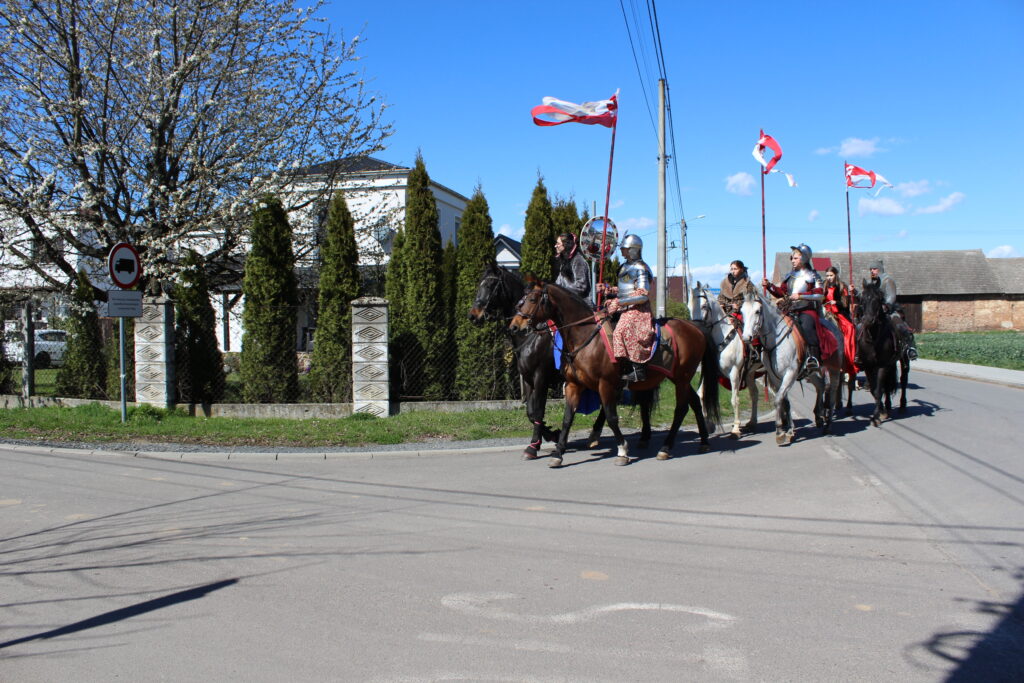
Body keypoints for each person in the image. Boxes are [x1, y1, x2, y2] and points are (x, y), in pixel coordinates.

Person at [599, 234, 655, 382]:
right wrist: (609, 290)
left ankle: (637, 370)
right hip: (622, 306)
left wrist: (619, 302)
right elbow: (626, 289)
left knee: (622, 330)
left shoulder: (642, 268)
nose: (622, 251)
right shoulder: (624, 267)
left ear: (633, 250)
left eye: (625, 249)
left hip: (638, 309)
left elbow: (643, 295)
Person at [762, 243, 824, 375]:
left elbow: (820, 294)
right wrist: (769, 286)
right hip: (789, 310)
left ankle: (812, 359)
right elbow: (781, 292)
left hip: (806, 310)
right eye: (792, 258)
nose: (792, 260)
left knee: (807, 328)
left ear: (804, 258)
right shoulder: (789, 276)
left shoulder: (812, 275)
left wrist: (801, 295)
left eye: (795, 258)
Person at [867, 259, 918, 360]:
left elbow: (891, 297)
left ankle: (909, 348)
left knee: (900, 326)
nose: (872, 271)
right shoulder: (871, 283)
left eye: (874, 269)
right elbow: (866, 296)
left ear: (880, 269)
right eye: (871, 269)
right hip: (874, 311)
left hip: (889, 310)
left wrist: (885, 307)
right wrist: (854, 292)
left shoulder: (887, 280)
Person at [823, 266, 857, 372]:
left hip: (838, 312)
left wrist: (836, 302)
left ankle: (849, 357)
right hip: (826, 311)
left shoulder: (842, 286)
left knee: (850, 328)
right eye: (827, 276)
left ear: (835, 275)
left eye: (831, 275)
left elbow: (845, 303)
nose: (829, 278)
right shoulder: (823, 286)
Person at [553, 232, 592, 302]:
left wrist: (561, 291)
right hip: (568, 304)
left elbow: (581, 286)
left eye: (558, 243)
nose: (555, 246)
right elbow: (558, 283)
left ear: (566, 244)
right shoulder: (564, 262)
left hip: (581, 306)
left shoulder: (578, 260)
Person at [718, 260, 756, 325]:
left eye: (735, 269)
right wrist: (721, 304)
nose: (733, 271)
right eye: (732, 269)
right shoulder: (725, 283)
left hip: (741, 313)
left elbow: (750, 300)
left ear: (741, 269)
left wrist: (738, 305)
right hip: (725, 313)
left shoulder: (748, 283)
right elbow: (721, 297)